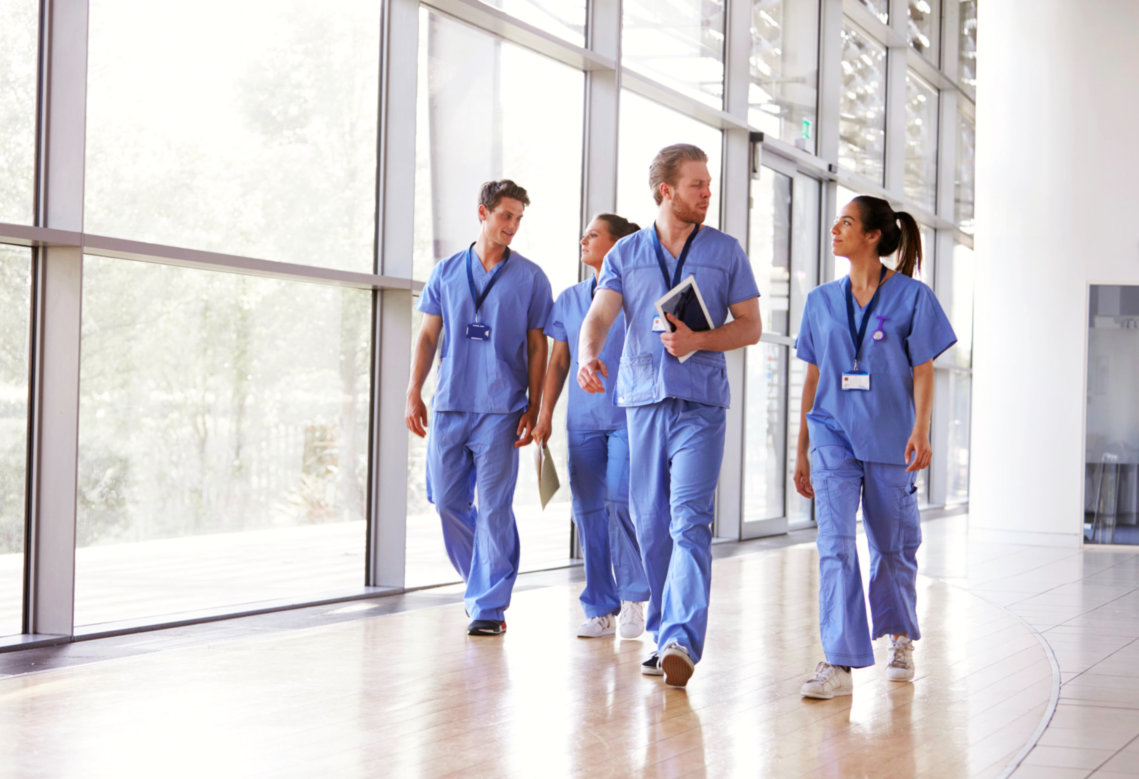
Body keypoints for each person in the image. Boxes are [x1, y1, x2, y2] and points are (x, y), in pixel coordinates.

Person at [577, 144, 762, 687]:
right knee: (652, 523)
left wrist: (700, 339)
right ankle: (662, 633)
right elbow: (599, 316)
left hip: (701, 404)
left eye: (708, 184)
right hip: (642, 402)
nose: (708, 193)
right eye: (697, 185)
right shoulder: (625, 254)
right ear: (667, 191)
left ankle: (681, 635)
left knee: (688, 520)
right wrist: (589, 355)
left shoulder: (726, 251)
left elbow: (749, 325)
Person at [793, 195, 956, 699]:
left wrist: (921, 429)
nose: (835, 228)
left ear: (872, 237)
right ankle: (839, 662)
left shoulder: (913, 297)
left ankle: (901, 636)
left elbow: (924, 369)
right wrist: (801, 447)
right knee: (835, 545)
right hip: (832, 435)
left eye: (847, 222)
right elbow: (813, 374)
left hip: (890, 436)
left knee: (892, 546)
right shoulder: (820, 300)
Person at [405, 179, 553, 637]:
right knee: (447, 501)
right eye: (506, 215)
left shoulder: (530, 277)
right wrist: (414, 390)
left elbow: (537, 347)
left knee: (493, 508)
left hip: (502, 407)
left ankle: (489, 605)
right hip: (450, 403)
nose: (512, 226)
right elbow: (429, 335)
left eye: (518, 219)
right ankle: (480, 582)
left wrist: (535, 404)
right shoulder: (447, 272)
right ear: (483, 213)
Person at [533, 214, 650, 640]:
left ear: (619, 245)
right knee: (587, 513)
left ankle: (635, 597)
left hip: (628, 417)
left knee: (620, 502)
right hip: (581, 422)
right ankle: (601, 605)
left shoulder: (637, 296)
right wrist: (544, 415)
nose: (583, 239)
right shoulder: (568, 299)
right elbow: (559, 361)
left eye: (594, 234)